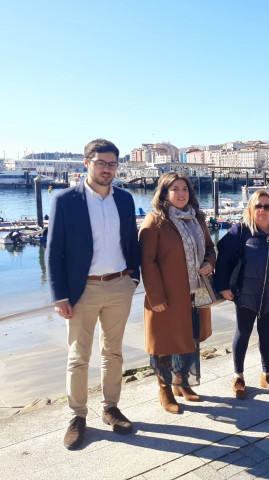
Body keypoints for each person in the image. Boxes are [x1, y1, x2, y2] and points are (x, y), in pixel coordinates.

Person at [46, 139, 141, 450]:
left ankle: (110, 408)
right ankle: (77, 416)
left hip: (118, 285)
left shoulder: (125, 200)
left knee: (113, 352)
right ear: (86, 163)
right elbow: (54, 251)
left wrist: (134, 277)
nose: (107, 169)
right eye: (101, 163)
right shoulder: (65, 200)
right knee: (78, 356)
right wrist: (60, 295)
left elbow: (131, 241)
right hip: (81, 289)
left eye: (112, 164)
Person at [139, 172, 216, 414]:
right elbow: (147, 262)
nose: (181, 193)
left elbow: (210, 248)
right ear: (164, 193)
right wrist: (156, 298)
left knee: (189, 340)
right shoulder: (155, 221)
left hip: (195, 294)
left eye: (185, 189)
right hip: (166, 296)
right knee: (164, 344)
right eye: (175, 189)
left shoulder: (197, 219)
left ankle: (182, 383)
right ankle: (164, 390)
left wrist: (209, 264)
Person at [215, 190, 269, 399]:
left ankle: (267, 373)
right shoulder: (240, 231)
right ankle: (238, 376)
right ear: (250, 208)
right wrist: (223, 286)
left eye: (267, 206)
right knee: (243, 333)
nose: (262, 210)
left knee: (267, 334)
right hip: (245, 294)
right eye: (258, 206)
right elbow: (222, 257)